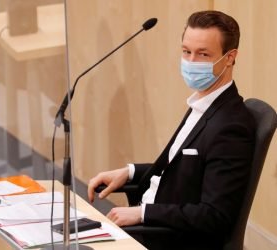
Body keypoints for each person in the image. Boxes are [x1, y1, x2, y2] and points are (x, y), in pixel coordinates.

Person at [87, 10, 256, 250]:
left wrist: (142, 213)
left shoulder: (231, 126)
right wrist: (130, 172)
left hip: (165, 239)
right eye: (186, 52)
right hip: (146, 225)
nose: (191, 62)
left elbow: (215, 216)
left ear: (230, 57)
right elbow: (182, 172)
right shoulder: (203, 105)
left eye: (203, 54)